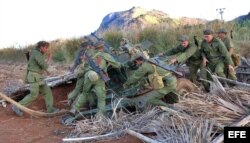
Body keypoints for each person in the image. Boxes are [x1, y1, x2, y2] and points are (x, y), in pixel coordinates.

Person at [71, 41, 121, 115]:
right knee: (101, 97)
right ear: (103, 47)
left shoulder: (92, 55)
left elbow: (88, 65)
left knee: (85, 93)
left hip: (88, 75)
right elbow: (117, 65)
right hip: (98, 76)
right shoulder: (104, 55)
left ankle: (74, 109)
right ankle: (100, 115)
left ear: (95, 48)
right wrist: (119, 64)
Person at [12, 41, 58, 116]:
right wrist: (49, 59)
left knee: (47, 91)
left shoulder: (37, 53)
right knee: (34, 95)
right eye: (46, 48)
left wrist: (47, 62)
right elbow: (44, 65)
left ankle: (50, 109)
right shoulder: (36, 53)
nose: (47, 50)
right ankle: (17, 106)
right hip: (34, 77)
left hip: (38, 77)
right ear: (41, 47)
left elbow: (42, 66)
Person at [67, 41, 95, 105]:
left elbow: (76, 62)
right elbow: (78, 62)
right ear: (86, 46)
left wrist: (72, 69)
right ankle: (71, 99)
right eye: (88, 45)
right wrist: (72, 69)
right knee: (83, 88)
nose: (89, 46)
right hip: (84, 72)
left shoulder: (83, 52)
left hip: (84, 72)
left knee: (84, 88)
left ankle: (91, 103)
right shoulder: (83, 53)